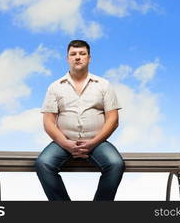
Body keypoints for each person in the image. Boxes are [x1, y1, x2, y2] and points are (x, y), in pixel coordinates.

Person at [35, 39, 125, 201]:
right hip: (64, 142)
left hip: (97, 142)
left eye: (82, 54)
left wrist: (93, 142)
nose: (78, 57)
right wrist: (65, 143)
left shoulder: (103, 85)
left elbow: (113, 119)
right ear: (67, 58)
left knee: (116, 164)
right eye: (73, 54)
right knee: (43, 163)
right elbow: (48, 122)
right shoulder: (55, 87)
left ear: (89, 58)